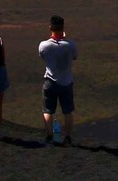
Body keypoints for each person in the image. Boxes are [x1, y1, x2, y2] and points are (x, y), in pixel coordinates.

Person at [39, 15, 78, 146]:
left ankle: (49, 135)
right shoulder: (71, 44)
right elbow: (75, 57)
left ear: (50, 27)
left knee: (48, 110)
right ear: (63, 27)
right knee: (68, 111)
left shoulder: (44, 45)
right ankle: (67, 137)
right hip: (66, 81)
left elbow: (42, 56)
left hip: (50, 81)